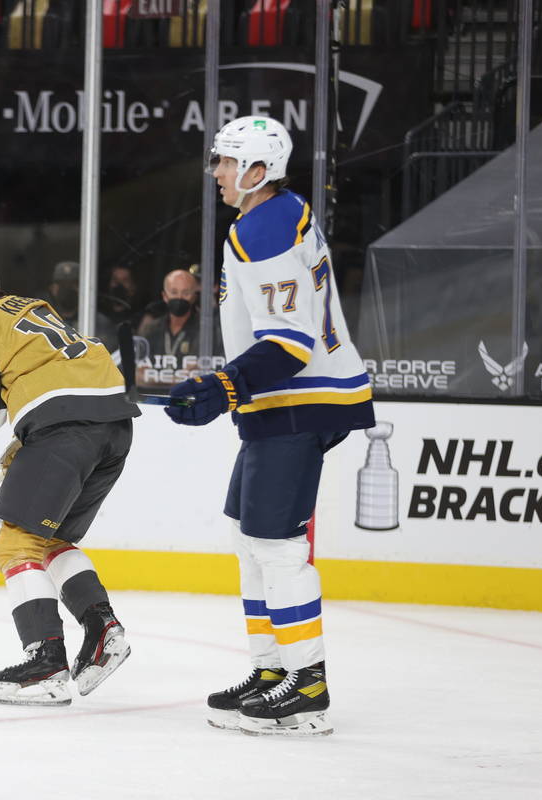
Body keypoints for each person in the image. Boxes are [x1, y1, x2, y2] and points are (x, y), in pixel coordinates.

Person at [163, 116, 374, 736]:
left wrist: (225, 387)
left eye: (228, 163)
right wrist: (230, 386)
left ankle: (306, 688)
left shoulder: (266, 224)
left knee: (278, 547)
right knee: (250, 538)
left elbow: (290, 341)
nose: (219, 174)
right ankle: (271, 670)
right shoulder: (270, 217)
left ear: (259, 170)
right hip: (281, 402)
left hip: (298, 401)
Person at [0, 250, 139, 706]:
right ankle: (104, 631)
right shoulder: (28, 305)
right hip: (114, 423)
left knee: (15, 546)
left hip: (65, 431)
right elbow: (48, 377)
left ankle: (46, 663)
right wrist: (28, 435)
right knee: (51, 538)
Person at [137, 268, 202, 385]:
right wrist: (175, 381)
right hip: (152, 397)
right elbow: (139, 374)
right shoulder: (151, 329)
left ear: (194, 296)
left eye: (186, 293)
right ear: (165, 296)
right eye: (174, 292)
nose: (180, 298)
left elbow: (198, 374)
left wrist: (156, 380)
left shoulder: (206, 331)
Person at [46, 260, 118, 353]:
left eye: (73, 284)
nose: (67, 290)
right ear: (53, 288)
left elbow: (107, 356)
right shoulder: (45, 321)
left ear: (84, 288)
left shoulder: (100, 323)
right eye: (62, 284)